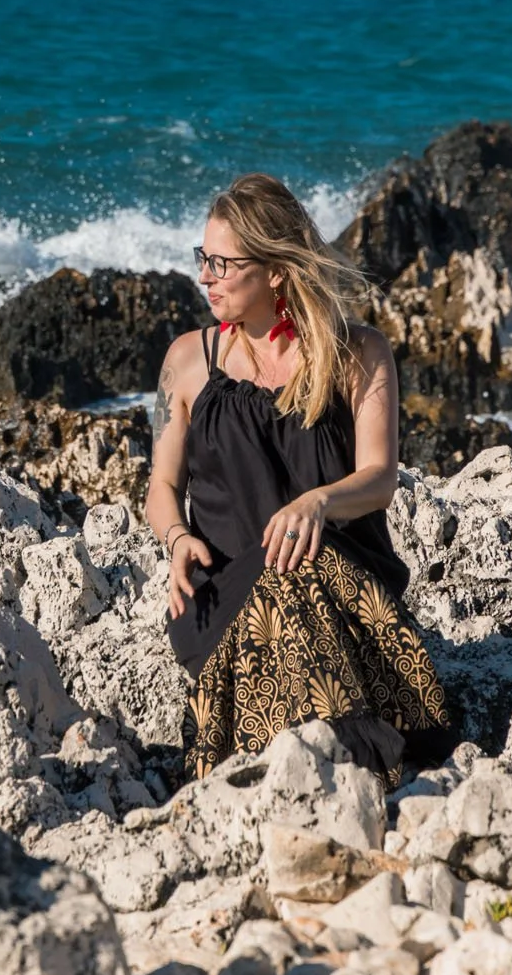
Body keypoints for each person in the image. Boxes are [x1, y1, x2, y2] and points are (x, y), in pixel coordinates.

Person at [144, 173, 451, 779]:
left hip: (343, 584)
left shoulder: (357, 354)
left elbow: (380, 477)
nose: (205, 276)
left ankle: (276, 772)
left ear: (276, 270)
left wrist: (317, 503)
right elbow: (160, 490)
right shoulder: (188, 360)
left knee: (296, 570)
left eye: (224, 263)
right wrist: (177, 540)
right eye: (203, 258)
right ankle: (351, 764)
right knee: (279, 584)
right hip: (224, 593)